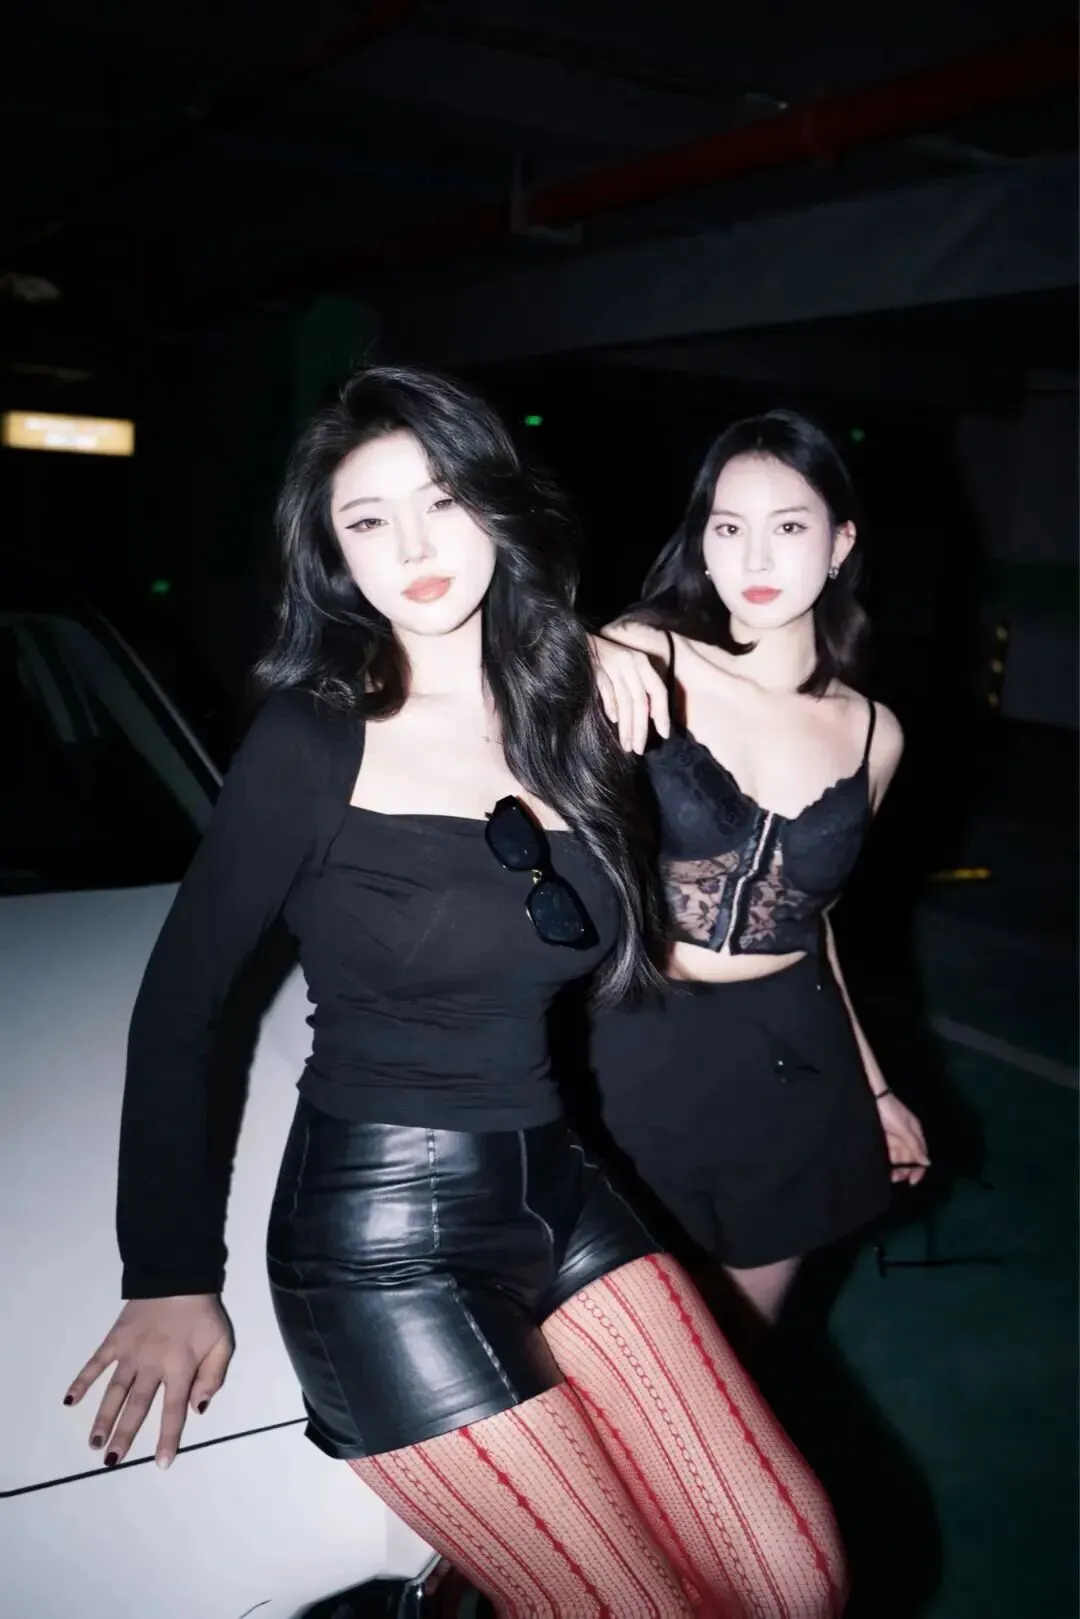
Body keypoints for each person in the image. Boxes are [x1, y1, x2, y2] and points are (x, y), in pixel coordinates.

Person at [64, 368, 846, 1618]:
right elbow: (181, 1009)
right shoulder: (312, 741)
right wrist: (166, 1271)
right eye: (368, 519)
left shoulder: (573, 710)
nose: (415, 548)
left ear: (495, 506)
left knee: (796, 1575)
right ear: (332, 552)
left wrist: (604, 645)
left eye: (441, 502)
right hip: (382, 1240)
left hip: (563, 1189)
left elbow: (756, 685)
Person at [591, 409, 930, 1334]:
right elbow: (501, 699)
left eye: (788, 525)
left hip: (791, 1062)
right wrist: (581, 645)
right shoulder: (645, 656)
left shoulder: (874, 732)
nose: (755, 556)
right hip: (635, 1044)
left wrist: (876, 1087)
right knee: (629, 1353)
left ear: (840, 543)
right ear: (701, 543)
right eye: (729, 526)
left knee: (743, 1363)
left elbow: (815, 920)